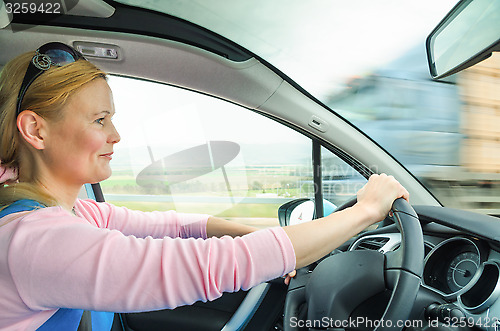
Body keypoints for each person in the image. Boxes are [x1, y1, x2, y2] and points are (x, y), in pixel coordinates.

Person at [0, 42, 409, 331]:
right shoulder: (34, 240)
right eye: (99, 120)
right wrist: (366, 211)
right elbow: (212, 265)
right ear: (35, 129)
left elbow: (179, 227)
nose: (116, 135)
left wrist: (273, 245)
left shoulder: (77, 212)